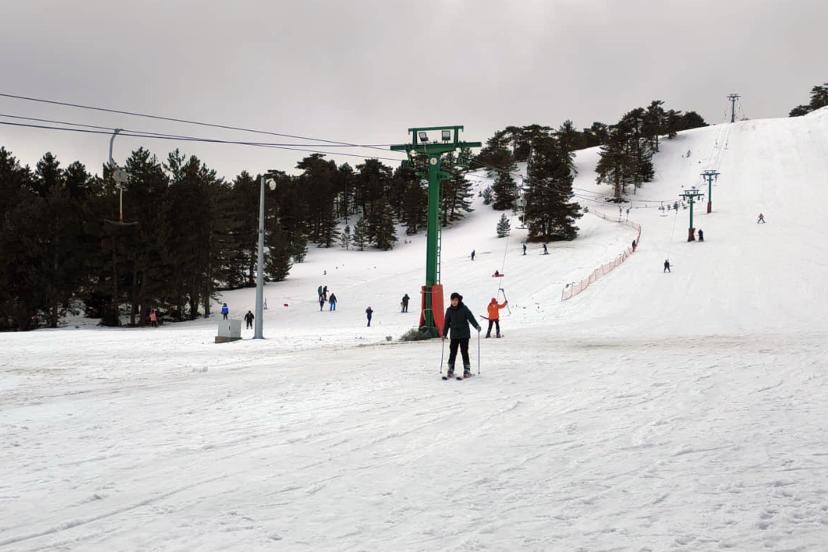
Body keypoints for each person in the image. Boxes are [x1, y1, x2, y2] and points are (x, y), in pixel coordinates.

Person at [442, 292, 481, 379]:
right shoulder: (449, 310)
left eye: (456, 300)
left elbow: (471, 318)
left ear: (458, 300)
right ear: (451, 300)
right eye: (453, 300)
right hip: (454, 335)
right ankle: (450, 369)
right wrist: (444, 334)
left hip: (464, 334)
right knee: (453, 352)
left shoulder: (464, 308)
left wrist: (476, 326)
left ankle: (467, 370)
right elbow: (446, 323)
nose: (454, 302)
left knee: (464, 352)